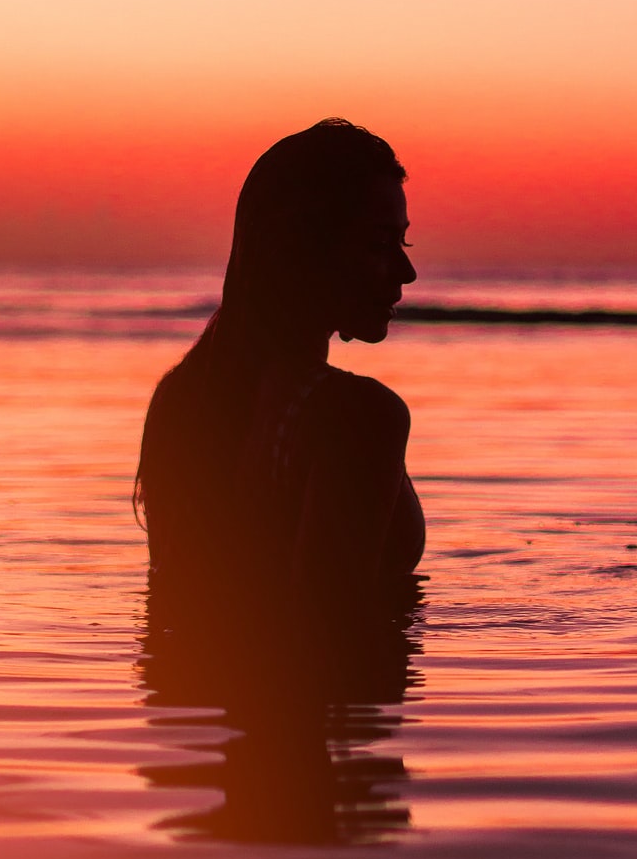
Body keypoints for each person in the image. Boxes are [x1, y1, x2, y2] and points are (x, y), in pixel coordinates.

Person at [136, 118, 424, 619]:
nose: (407, 271)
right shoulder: (360, 416)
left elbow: (179, 604)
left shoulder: (183, 396)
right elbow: (330, 633)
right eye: (380, 245)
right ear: (302, 253)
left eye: (404, 243)